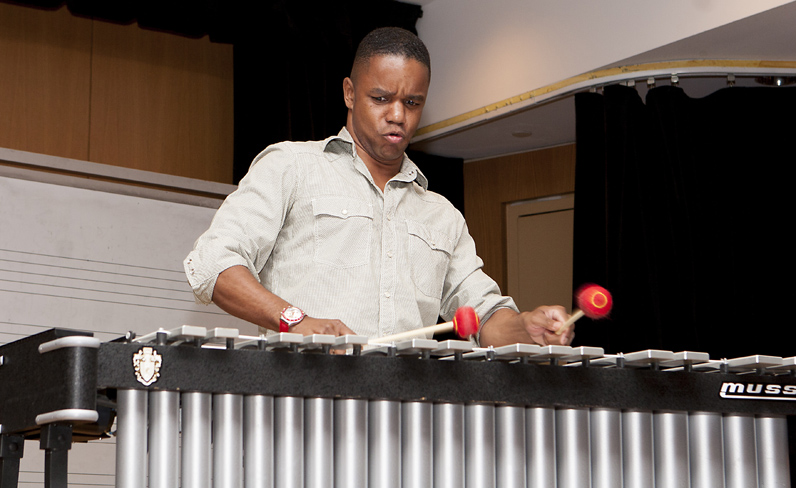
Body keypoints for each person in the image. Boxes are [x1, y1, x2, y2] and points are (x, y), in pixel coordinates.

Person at [184, 27, 574, 348]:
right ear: (350, 93)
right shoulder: (291, 167)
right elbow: (214, 264)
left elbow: (486, 315)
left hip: (405, 418)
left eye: (412, 102)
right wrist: (296, 320)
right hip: (299, 411)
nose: (397, 115)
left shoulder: (442, 216)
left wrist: (526, 328)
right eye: (381, 98)